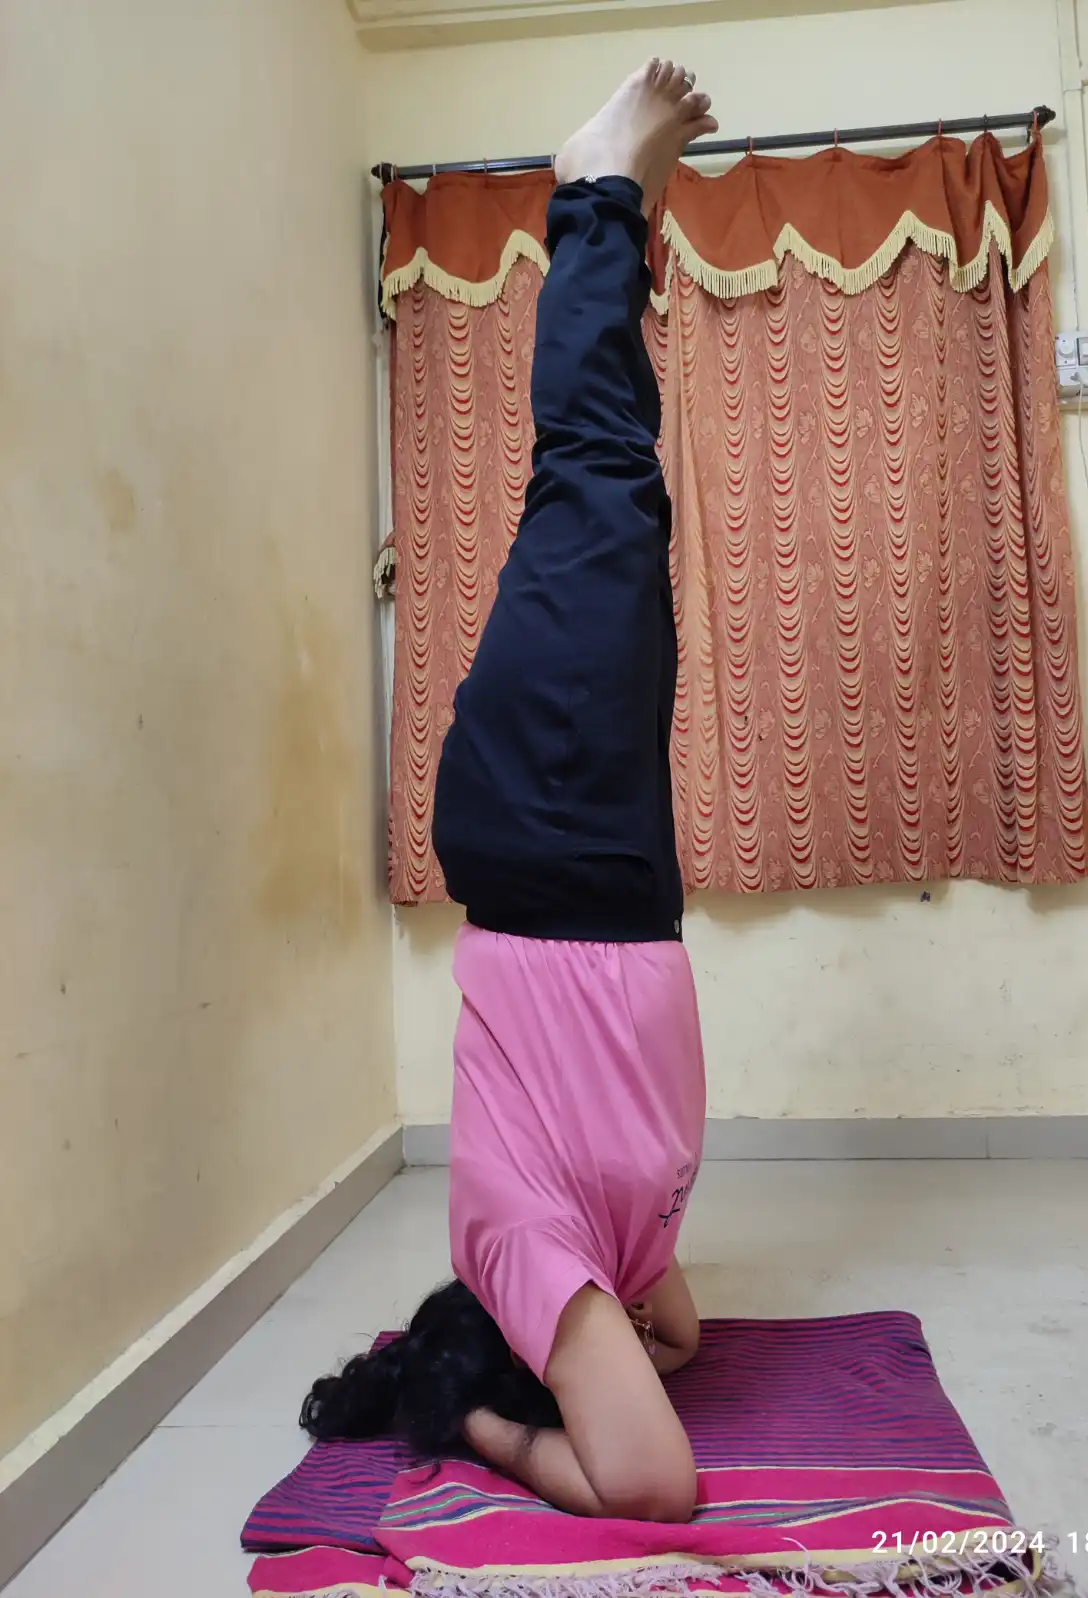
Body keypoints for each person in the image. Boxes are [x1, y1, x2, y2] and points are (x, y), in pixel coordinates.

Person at [303, 60, 718, 1525]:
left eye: (579, 1353)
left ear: (530, 1337)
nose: (639, 1350)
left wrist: (482, 1429)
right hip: (598, 862)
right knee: (623, 502)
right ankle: (622, 215)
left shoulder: (521, 1244)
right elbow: (675, 1328)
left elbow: (654, 1483)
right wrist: (639, 1317)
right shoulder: (611, 1247)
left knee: (596, 483)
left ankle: (594, 184)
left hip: (553, 839)